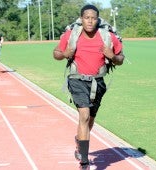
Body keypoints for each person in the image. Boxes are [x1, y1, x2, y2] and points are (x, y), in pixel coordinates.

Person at [53, 4, 124, 170]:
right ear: (81, 19)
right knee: (84, 115)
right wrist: (64, 54)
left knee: (89, 120)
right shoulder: (72, 35)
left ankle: (80, 141)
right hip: (77, 80)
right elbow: (55, 53)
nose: (90, 21)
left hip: (98, 83)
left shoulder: (107, 36)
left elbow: (120, 59)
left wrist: (112, 55)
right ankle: (84, 162)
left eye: (93, 18)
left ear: (97, 19)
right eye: (87, 18)